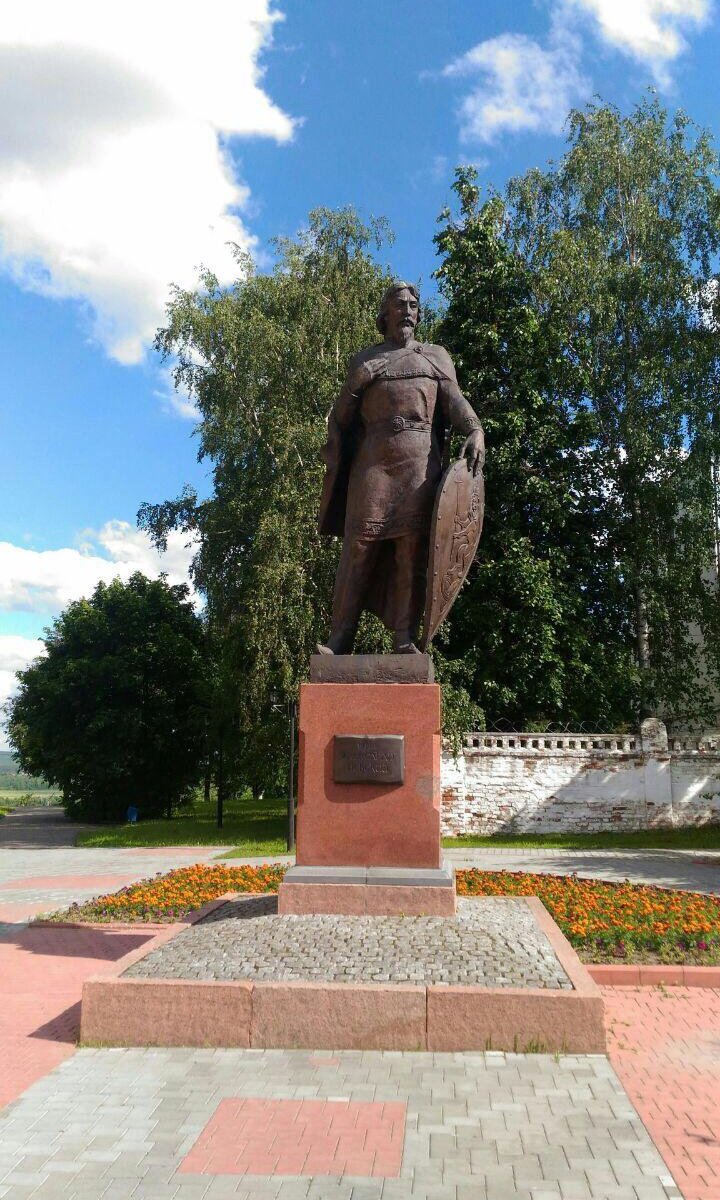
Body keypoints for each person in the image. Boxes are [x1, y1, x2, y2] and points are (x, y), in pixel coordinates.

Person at [317, 281, 484, 654]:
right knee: (359, 547)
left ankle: (404, 638)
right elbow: (341, 419)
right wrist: (356, 385)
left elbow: (455, 402)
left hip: (419, 464)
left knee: (409, 552)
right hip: (374, 465)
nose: (408, 310)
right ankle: (340, 638)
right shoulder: (365, 360)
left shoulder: (435, 357)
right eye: (399, 304)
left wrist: (474, 428)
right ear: (385, 313)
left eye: (413, 304)